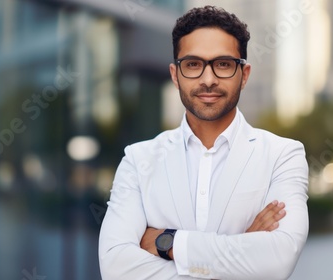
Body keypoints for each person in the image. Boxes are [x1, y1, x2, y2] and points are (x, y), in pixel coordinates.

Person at [99, 5, 309, 280]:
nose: (208, 80)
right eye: (193, 65)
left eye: (223, 64)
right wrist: (242, 251)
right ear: (175, 75)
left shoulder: (283, 155)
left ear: (243, 75)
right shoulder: (138, 160)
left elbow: (278, 259)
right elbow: (116, 267)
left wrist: (167, 242)